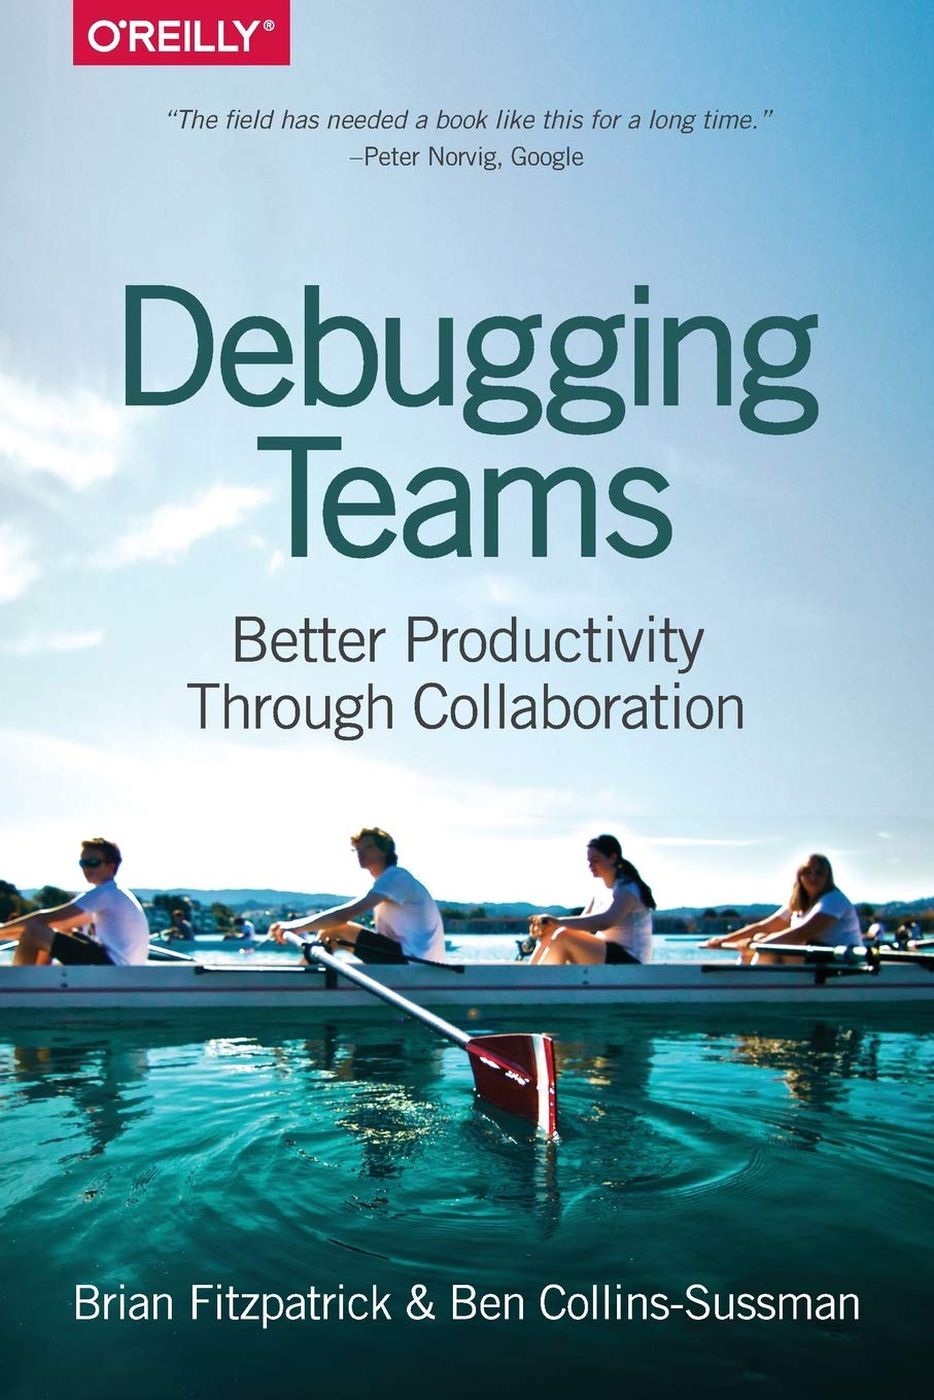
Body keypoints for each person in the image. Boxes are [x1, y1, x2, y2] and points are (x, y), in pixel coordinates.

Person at [269, 827, 446, 964]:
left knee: (335, 930)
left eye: (368, 847)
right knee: (331, 934)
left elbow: (343, 916)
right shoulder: (390, 880)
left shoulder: (396, 877)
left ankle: (306, 981)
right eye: (357, 849)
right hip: (410, 959)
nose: (361, 852)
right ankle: (310, 975)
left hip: (415, 962)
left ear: (385, 851)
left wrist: (294, 926)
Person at [0, 837, 150, 966]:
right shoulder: (116, 894)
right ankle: (39, 980)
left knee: (33, 930)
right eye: (82, 863)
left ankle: (19, 985)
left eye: (93, 862)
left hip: (111, 968)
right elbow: (59, 924)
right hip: (120, 968)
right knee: (59, 930)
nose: (86, 868)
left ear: (111, 866)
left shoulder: (105, 893)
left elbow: (44, 918)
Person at [703, 853, 862, 962]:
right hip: (812, 958)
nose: (813, 877)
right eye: (807, 872)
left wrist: (758, 944)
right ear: (800, 876)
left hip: (840, 961)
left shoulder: (834, 899)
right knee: (761, 936)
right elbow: (766, 926)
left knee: (773, 944)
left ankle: (754, 986)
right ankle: (748, 981)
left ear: (828, 877)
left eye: (819, 873)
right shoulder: (798, 903)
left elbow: (803, 933)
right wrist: (723, 940)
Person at [527, 834, 655, 965]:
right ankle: (530, 972)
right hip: (608, 953)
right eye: (589, 861)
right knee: (553, 931)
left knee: (563, 935)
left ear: (613, 858)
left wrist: (558, 922)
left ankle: (540, 976)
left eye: (596, 860)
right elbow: (581, 924)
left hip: (630, 961)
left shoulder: (627, 888)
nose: (590, 865)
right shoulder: (600, 892)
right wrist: (549, 926)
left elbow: (605, 921)